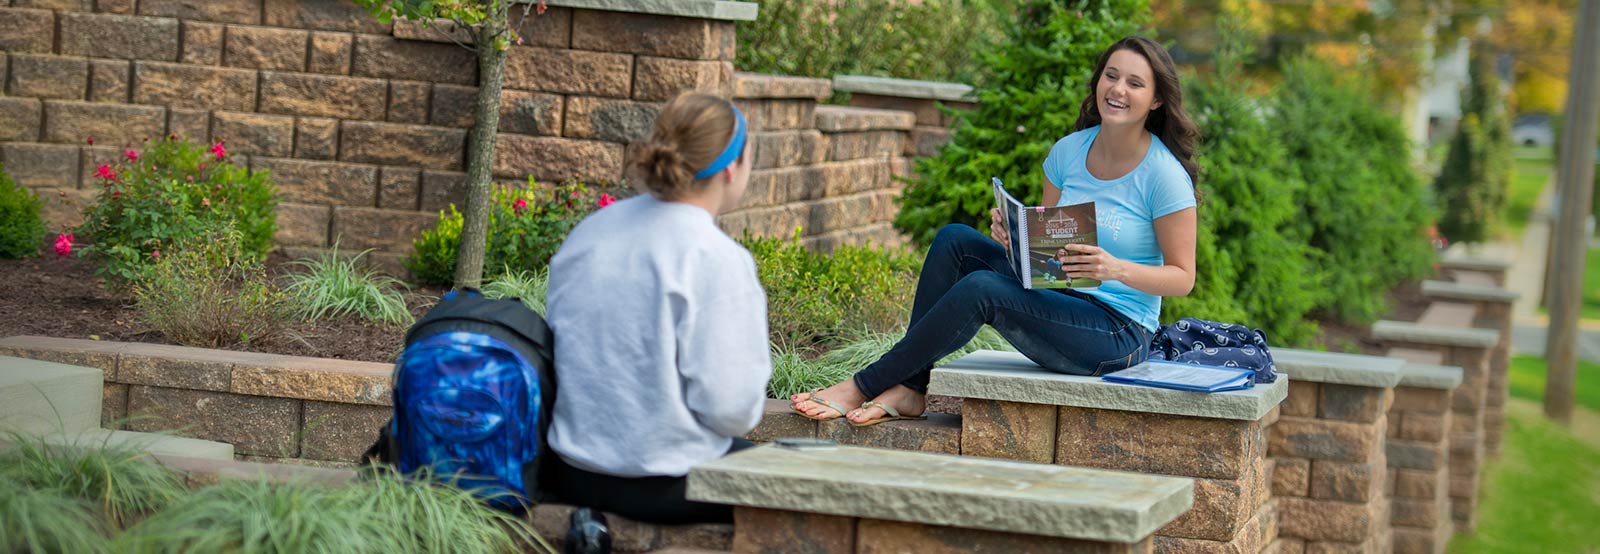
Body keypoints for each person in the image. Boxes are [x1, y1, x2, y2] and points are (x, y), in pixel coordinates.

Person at [792, 35, 1202, 426]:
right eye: (1111, 75)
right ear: (1098, 80)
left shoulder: (1164, 177)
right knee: (955, 240)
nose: (1118, 89)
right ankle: (911, 388)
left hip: (1117, 332)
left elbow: (1183, 277)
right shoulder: (1069, 151)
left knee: (983, 289)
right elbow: (1053, 260)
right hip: (1064, 300)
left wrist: (1116, 269)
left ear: (1157, 99)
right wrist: (1018, 241)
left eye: (1135, 83)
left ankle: (863, 385)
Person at [543, 92, 772, 525]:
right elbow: (732, 412)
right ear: (731, 168)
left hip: (570, 468)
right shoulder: (715, 257)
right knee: (810, 489)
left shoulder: (591, 230)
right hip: (667, 480)